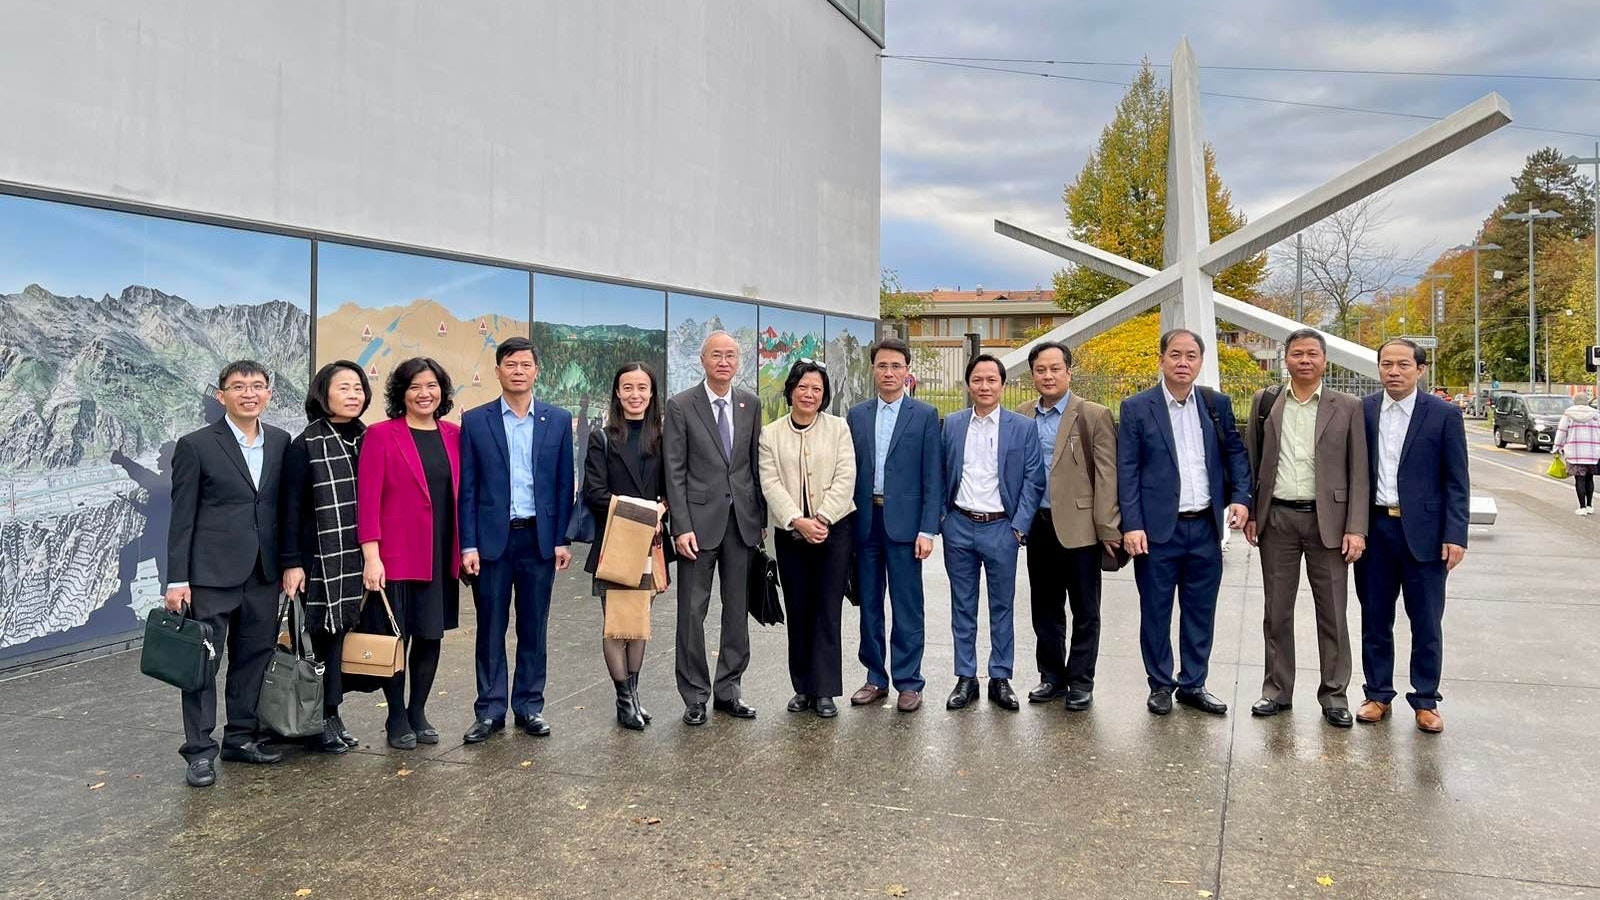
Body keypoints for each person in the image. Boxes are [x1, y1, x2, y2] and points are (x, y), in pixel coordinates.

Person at [164, 360, 290, 787]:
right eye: (238, 387)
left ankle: (241, 738)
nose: (248, 393)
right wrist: (177, 579)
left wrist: (291, 565)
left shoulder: (280, 441)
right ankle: (199, 752)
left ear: (269, 394)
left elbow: (282, 510)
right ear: (222, 396)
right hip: (210, 575)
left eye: (257, 386)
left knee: (253, 659)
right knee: (203, 664)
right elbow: (181, 518)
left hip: (263, 572)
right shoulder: (196, 445)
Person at [1118, 329, 1251, 717]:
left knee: (1199, 611)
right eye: (1175, 355)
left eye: (1191, 356)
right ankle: (1160, 684)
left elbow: (1236, 455)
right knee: (1156, 611)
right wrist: (1132, 524)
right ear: (1161, 360)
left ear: (1200, 361)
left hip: (1205, 528)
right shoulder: (1137, 407)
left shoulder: (1215, 404)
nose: (1183, 362)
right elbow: (1127, 470)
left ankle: (1193, 683)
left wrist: (1240, 498)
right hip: (1158, 531)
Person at [1242, 330, 1369, 728]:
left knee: (1332, 611)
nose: (1305, 360)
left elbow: (1359, 472)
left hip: (1327, 522)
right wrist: (1250, 513)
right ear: (1286, 359)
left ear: (1324, 360)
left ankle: (1334, 694)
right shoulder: (1266, 403)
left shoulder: (1347, 406)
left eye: (1312, 354)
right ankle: (1276, 690)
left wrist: (1356, 528)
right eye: (1297, 353)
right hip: (1277, 518)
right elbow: (1252, 460)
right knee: (1276, 610)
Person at [458, 338, 573, 743]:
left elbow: (564, 486)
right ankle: (489, 710)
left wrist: (562, 539)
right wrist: (467, 545)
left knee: (534, 627)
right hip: (492, 542)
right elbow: (467, 489)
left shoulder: (557, 420)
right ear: (498, 371)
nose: (518, 370)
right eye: (511, 364)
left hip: (538, 541)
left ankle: (529, 705)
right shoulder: (475, 420)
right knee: (490, 627)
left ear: (536, 371)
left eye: (525, 364)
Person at [1354, 339, 1469, 734]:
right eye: (1387, 364)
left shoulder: (1443, 415)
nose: (1394, 371)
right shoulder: (1363, 411)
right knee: (1374, 618)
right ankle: (1377, 694)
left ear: (1420, 370)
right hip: (1375, 529)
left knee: (1426, 621)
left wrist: (1456, 534)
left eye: (1404, 364)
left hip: (1426, 534)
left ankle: (1425, 700)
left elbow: (1457, 481)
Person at [356, 357, 461, 750]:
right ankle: (396, 714)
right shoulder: (382, 435)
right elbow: (367, 501)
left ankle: (419, 709)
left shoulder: (453, 435)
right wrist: (372, 555)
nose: (424, 393)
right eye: (415, 386)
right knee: (395, 638)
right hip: (396, 556)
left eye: (431, 385)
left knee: (430, 635)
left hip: (439, 554)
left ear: (442, 392)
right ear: (401, 393)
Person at [664, 331, 766, 725]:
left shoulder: (750, 403)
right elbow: (674, 470)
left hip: (741, 523)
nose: (724, 361)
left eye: (731, 355)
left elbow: (754, 467)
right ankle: (694, 694)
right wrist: (680, 527)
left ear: (737, 362)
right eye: (716, 355)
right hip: (697, 527)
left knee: (737, 611)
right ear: (702, 360)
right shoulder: (681, 406)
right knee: (692, 612)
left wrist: (758, 520)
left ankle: (729, 690)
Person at [1015, 341, 1120, 711]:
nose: (1048, 376)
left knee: (1085, 608)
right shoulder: (1022, 414)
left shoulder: (1093, 415)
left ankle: (1080, 679)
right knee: (1044, 606)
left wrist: (1108, 528)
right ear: (1032, 375)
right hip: (1038, 526)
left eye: (1055, 369)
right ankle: (1052, 676)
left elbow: (1107, 475)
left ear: (1069, 372)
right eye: (1041, 370)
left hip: (1081, 527)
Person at [940, 354, 1046, 711]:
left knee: (1002, 607)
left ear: (1002, 385)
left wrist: (1019, 527)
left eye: (991, 380)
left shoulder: (1022, 427)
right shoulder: (952, 424)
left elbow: (1034, 479)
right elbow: (940, 472)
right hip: (959, 525)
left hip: (1002, 528)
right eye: (977, 380)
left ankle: (1000, 676)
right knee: (962, 606)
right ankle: (965, 677)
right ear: (968, 384)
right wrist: (943, 519)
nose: (984, 386)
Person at [279, 360, 372, 753]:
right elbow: (290, 510)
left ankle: (331, 713)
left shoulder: (369, 438)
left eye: (358, 388)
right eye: (344, 388)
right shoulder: (306, 444)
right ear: (323, 394)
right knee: (316, 642)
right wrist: (292, 562)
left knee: (339, 643)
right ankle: (316, 719)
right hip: (319, 561)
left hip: (359, 558)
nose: (353, 395)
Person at [846, 337, 943, 712]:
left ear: (907, 371)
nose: (889, 373)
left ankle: (908, 681)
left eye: (896, 366)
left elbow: (933, 477)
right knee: (868, 604)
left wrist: (927, 529)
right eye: (882, 366)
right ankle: (874, 677)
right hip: (866, 521)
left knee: (907, 605)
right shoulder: (856, 415)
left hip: (906, 525)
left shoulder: (924, 415)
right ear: (873, 370)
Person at [758, 360, 857, 718]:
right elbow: (770, 483)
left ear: (824, 394)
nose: (809, 394)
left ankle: (825, 689)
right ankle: (803, 686)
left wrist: (822, 518)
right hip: (791, 533)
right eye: (803, 387)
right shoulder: (771, 434)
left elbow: (846, 476)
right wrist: (797, 521)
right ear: (790, 391)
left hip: (835, 530)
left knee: (827, 610)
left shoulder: (838, 428)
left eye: (816, 389)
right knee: (799, 609)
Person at [584, 362, 674, 730]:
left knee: (638, 623)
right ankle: (624, 699)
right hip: (617, 541)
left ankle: (634, 694)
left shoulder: (665, 436)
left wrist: (663, 507)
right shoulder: (602, 437)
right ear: (617, 393)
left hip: (652, 544)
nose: (635, 395)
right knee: (617, 625)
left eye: (642, 388)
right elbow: (595, 493)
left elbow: (672, 486)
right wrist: (644, 511)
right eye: (627, 388)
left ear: (652, 394)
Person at [1553, 398, 1600, 515]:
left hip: (1574, 453)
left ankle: (1582, 507)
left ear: (1575, 402)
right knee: (1590, 478)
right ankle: (1590, 506)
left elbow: (1561, 432)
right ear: (1586, 402)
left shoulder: (1568, 414)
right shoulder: (1596, 414)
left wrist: (1557, 447)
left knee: (1579, 479)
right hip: (1593, 452)